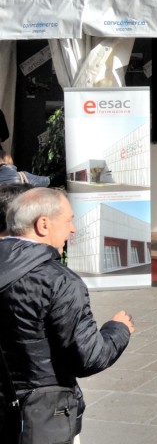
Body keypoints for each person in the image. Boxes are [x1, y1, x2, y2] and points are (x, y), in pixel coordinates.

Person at [0, 188, 135, 440]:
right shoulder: (59, 281)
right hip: (41, 417)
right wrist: (118, 330)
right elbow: (88, 358)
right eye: (69, 220)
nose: (73, 229)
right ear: (43, 224)